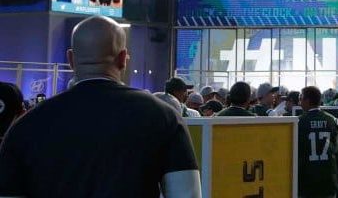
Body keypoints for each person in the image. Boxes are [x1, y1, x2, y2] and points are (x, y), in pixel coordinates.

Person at [0, 16, 200, 197]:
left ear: (70, 59)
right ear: (123, 59)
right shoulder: (165, 117)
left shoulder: (25, 127)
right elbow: (187, 194)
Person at [297, 86, 338, 198]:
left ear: (307, 100)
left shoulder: (299, 121)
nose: (299, 102)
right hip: (328, 177)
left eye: (301, 98)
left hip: (307, 178)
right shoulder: (332, 120)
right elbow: (336, 147)